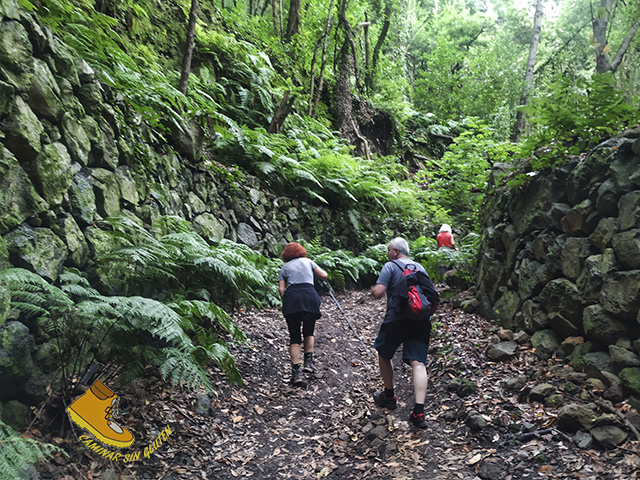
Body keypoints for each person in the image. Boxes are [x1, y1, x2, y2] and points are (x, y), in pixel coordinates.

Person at [370, 237, 439, 428]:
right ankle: (419, 412)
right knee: (418, 363)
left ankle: (389, 396)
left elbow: (378, 293)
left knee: (384, 354)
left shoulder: (390, 266)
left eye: (389, 250)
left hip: (397, 319)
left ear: (396, 252)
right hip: (422, 320)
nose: (387, 254)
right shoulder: (420, 267)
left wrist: (373, 290)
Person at [278, 242, 328, 386]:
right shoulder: (308, 262)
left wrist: (288, 300)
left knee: (294, 336)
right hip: (310, 298)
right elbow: (324, 275)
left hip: (292, 299)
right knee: (309, 331)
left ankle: (296, 373)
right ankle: (309, 363)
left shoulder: (285, 267)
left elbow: (281, 290)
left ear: (286, 255)